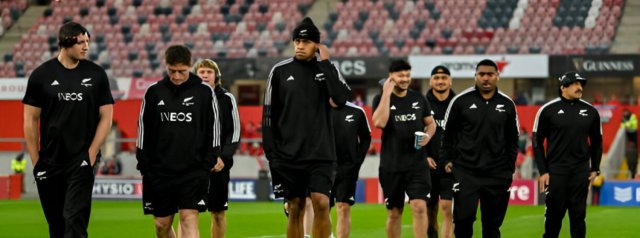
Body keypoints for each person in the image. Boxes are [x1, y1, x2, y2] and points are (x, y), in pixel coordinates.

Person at [22, 21, 114, 237]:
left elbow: (106, 118)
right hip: (49, 161)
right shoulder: (40, 75)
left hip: (81, 160)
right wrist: (37, 162)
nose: (86, 47)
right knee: (56, 226)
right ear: (65, 43)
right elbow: (29, 120)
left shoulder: (97, 74)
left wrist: (90, 156)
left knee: (74, 222)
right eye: (80, 42)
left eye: (87, 42)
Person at [262, 17, 351, 238]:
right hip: (288, 154)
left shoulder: (327, 69)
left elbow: (341, 99)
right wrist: (271, 153)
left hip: (321, 153)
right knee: (295, 208)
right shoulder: (279, 72)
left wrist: (327, 63)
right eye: (297, 41)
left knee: (321, 203)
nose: (300, 45)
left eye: (306, 41)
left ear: (317, 46)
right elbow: (268, 116)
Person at [136, 45, 220, 238]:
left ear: (189, 67)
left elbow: (213, 130)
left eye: (182, 71)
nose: (176, 76)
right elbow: (143, 131)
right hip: (159, 171)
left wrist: (207, 164)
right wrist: (145, 166)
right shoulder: (154, 92)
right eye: (172, 71)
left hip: (193, 170)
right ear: (166, 66)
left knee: (189, 218)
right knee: (161, 225)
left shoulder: (204, 92)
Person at [440, 59, 519, 238]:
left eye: (490, 74)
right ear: (475, 76)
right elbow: (447, 135)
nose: (485, 78)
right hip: (466, 172)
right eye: (481, 74)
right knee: (462, 221)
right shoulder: (460, 101)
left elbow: (513, 140)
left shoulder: (507, 104)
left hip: (497, 174)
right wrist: (446, 160)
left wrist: (508, 169)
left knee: (492, 226)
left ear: (497, 76)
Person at [533, 71, 603, 238]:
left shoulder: (591, 111)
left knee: (579, 217)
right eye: (575, 84)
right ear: (563, 87)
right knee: (553, 219)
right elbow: (536, 143)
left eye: (581, 84)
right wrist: (543, 171)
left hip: (580, 173)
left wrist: (595, 168)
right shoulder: (547, 110)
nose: (580, 87)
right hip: (556, 173)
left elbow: (597, 142)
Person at [372, 59, 437, 238]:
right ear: (390, 77)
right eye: (400, 75)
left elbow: (431, 124)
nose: (405, 79)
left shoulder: (418, 98)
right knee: (394, 213)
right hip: (391, 166)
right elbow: (379, 122)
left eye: (407, 75)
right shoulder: (380, 98)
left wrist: (427, 136)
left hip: (417, 165)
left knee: (419, 207)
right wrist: (386, 93)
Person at [193, 58, 241, 238]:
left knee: (218, 213)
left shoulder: (227, 98)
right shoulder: (189, 98)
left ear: (216, 76)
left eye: (209, 72)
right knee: (188, 213)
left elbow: (234, 132)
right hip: (194, 165)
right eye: (201, 72)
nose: (205, 75)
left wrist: (223, 157)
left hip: (220, 165)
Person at [330, 99, 372, 238]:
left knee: (343, 207)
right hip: (323, 167)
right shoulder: (318, 108)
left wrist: (357, 161)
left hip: (347, 168)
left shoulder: (357, 111)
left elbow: (366, 137)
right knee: (322, 208)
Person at [424, 65, 455, 238]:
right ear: (430, 82)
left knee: (447, 208)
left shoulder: (458, 104)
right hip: (428, 166)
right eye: (436, 78)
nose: (440, 81)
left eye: (444, 78)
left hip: (450, 167)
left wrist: (455, 159)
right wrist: (424, 156)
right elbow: (416, 133)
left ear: (450, 81)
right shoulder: (422, 103)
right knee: (430, 210)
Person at [621, 108, 638, 179]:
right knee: (631, 165)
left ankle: (633, 174)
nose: (625, 114)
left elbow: (633, 124)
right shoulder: (624, 117)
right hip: (628, 134)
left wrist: (626, 125)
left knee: (633, 166)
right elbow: (622, 125)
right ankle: (632, 174)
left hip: (633, 133)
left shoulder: (633, 116)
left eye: (625, 112)